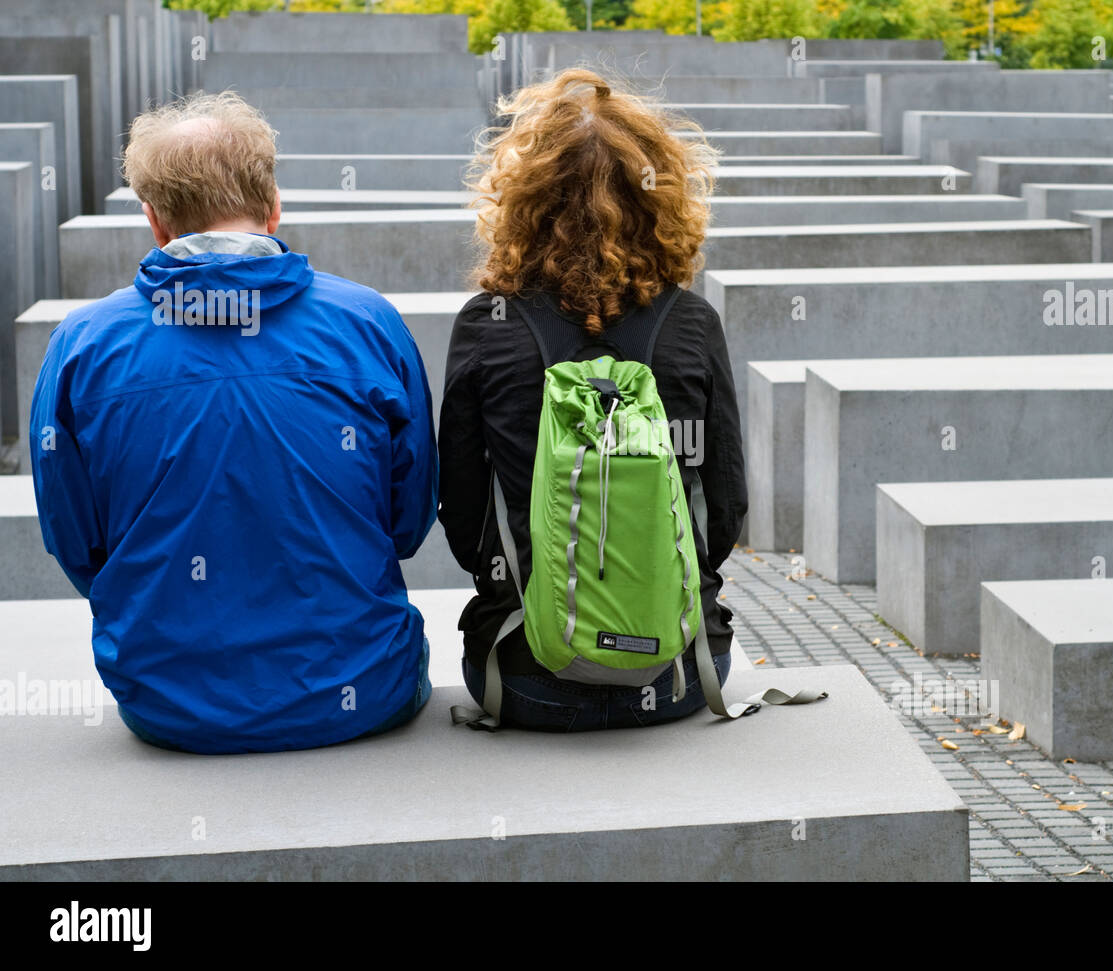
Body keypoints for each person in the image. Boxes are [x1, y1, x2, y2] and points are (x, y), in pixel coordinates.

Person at [29, 92, 437, 754]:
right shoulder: (368, 323)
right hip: (361, 690)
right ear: (274, 206)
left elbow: (77, 541)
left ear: (155, 222)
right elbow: (407, 518)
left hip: (169, 705)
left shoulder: (80, 346)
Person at [438, 69, 746, 731]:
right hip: (679, 673)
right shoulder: (692, 323)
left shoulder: (486, 323)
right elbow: (723, 515)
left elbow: (464, 518)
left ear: (521, 199)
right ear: (661, 196)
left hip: (521, 677)